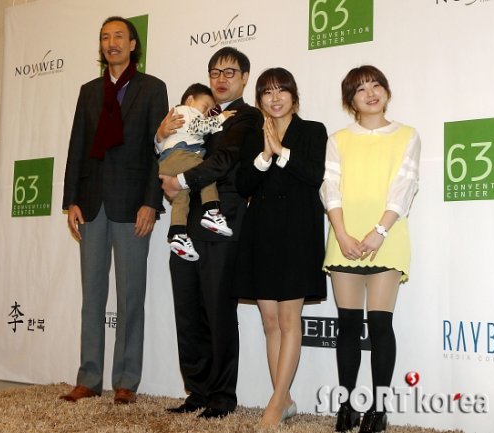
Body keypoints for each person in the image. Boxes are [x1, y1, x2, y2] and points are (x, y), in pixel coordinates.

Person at [60, 16, 168, 404]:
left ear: (133, 44)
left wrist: (151, 202)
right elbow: (76, 146)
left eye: (119, 36)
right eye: (105, 37)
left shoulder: (152, 88)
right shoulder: (89, 91)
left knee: (130, 295)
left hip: (132, 205)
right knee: (92, 296)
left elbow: (159, 150)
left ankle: (126, 379)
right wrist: (71, 200)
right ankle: (89, 378)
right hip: (91, 203)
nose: (112, 43)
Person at [157, 47, 262, 418]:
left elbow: (225, 160)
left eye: (230, 72)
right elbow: (168, 151)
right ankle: (197, 390)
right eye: (215, 72)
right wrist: (160, 137)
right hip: (186, 221)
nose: (221, 78)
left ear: (244, 78)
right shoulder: (196, 115)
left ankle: (221, 395)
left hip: (223, 219)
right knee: (187, 307)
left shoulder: (247, 116)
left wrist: (181, 180)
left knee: (218, 309)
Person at [320, 65, 420, 433]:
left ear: (386, 91)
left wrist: (379, 231)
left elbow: (405, 186)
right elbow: (330, 187)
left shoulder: (407, 135)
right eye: (361, 89)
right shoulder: (339, 139)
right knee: (347, 324)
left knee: (379, 324)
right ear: (351, 100)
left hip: (387, 238)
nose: (371, 93)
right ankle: (345, 407)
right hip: (344, 238)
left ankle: (378, 411)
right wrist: (342, 234)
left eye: (376, 85)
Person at [235, 67, 327, 427]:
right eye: (267, 92)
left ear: (294, 96)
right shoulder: (252, 135)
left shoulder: (313, 131)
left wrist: (281, 151)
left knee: (289, 320)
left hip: (298, 232)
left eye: (281, 91)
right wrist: (263, 155)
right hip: (261, 232)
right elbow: (243, 185)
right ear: (259, 100)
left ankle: (274, 404)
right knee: (270, 322)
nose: (275, 98)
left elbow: (315, 175)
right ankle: (284, 398)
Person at [155, 83, 236, 261]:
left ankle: (178, 234)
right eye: (205, 107)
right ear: (190, 100)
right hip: (181, 154)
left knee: (181, 198)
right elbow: (200, 127)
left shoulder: (175, 118)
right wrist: (220, 118)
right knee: (205, 172)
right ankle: (212, 212)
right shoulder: (185, 111)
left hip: (168, 162)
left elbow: (161, 143)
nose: (205, 113)